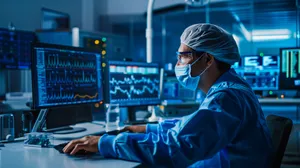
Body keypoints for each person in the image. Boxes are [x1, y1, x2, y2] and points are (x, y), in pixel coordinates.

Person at [63, 23, 273, 167]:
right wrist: (147, 128)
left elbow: (177, 147)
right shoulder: (230, 87)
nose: (178, 65)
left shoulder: (226, 97)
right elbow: (193, 126)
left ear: (208, 60)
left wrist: (103, 144)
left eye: (183, 57)